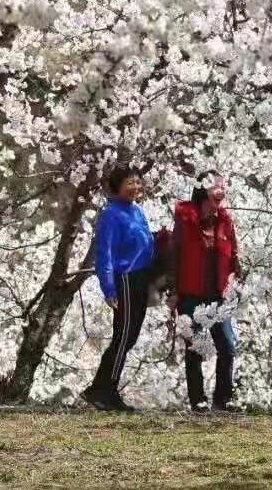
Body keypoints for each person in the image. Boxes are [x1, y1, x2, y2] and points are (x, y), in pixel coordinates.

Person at [81, 165, 155, 412]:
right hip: (125, 278)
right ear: (117, 186)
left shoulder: (137, 211)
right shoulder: (111, 214)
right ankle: (104, 391)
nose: (135, 187)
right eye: (129, 182)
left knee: (129, 337)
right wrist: (109, 288)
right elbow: (105, 253)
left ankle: (101, 389)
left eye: (137, 182)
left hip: (141, 277)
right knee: (123, 337)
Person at [169, 171, 242, 412]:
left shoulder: (226, 221)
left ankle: (223, 399)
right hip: (191, 292)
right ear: (202, 190)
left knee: (227, 345)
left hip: (219, 294)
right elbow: (175, 255)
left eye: (223, 186)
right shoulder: (185, 219)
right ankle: (198, 400)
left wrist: (236, 283)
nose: (221, 191)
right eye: (215, 187)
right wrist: (173, 290)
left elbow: (234, 255)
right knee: (195, 347)